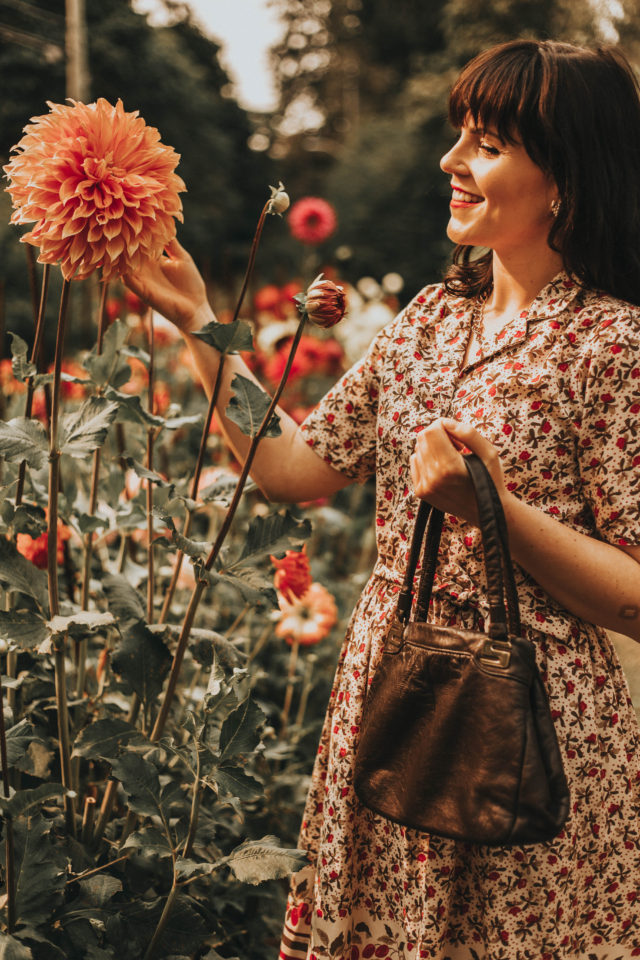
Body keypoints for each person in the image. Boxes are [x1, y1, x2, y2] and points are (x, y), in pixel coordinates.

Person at [125, 38, 640, 960]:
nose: (450, 161)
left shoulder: (615, 348)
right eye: (458, 137)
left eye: (484, 143)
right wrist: (202, 326)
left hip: (530, 741)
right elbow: (294, 468)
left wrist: (495, 512)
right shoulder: (431, 321)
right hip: (393, 706)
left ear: (563, 174)